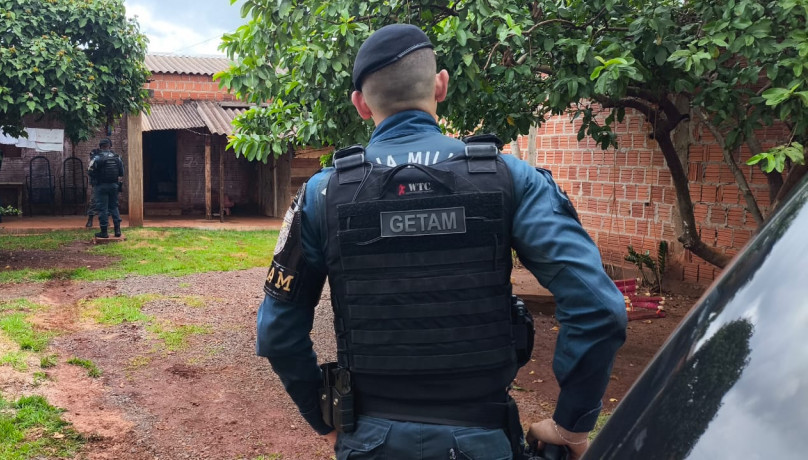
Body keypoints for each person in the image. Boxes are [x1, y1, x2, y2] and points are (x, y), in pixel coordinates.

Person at [255, 24, 627, 460]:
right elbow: (599, 308)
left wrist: (323, 420)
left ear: (359, 104)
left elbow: (277, 333)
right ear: (441, 85)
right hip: (483, 439)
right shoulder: (511, 179)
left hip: (369, 441)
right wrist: (570, 425)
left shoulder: (321, 195)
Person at [87, 138, 124, 238]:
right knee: (114, 207)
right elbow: (121, 173)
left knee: (102, 208)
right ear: (110, 146)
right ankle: (117, 230)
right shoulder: (117, 157)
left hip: (101, 186)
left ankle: (104, 232)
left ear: (100, 147)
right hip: (114, 186)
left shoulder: (96, 158)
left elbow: (89, 171)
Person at [85, 147, 101, 228]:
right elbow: (89, 171)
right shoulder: (95, 158)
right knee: (94, 202)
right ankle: (90, 220)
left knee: (102, 203)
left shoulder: (99, 158)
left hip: (100, 183)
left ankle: (103, 220)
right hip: (97, 183)